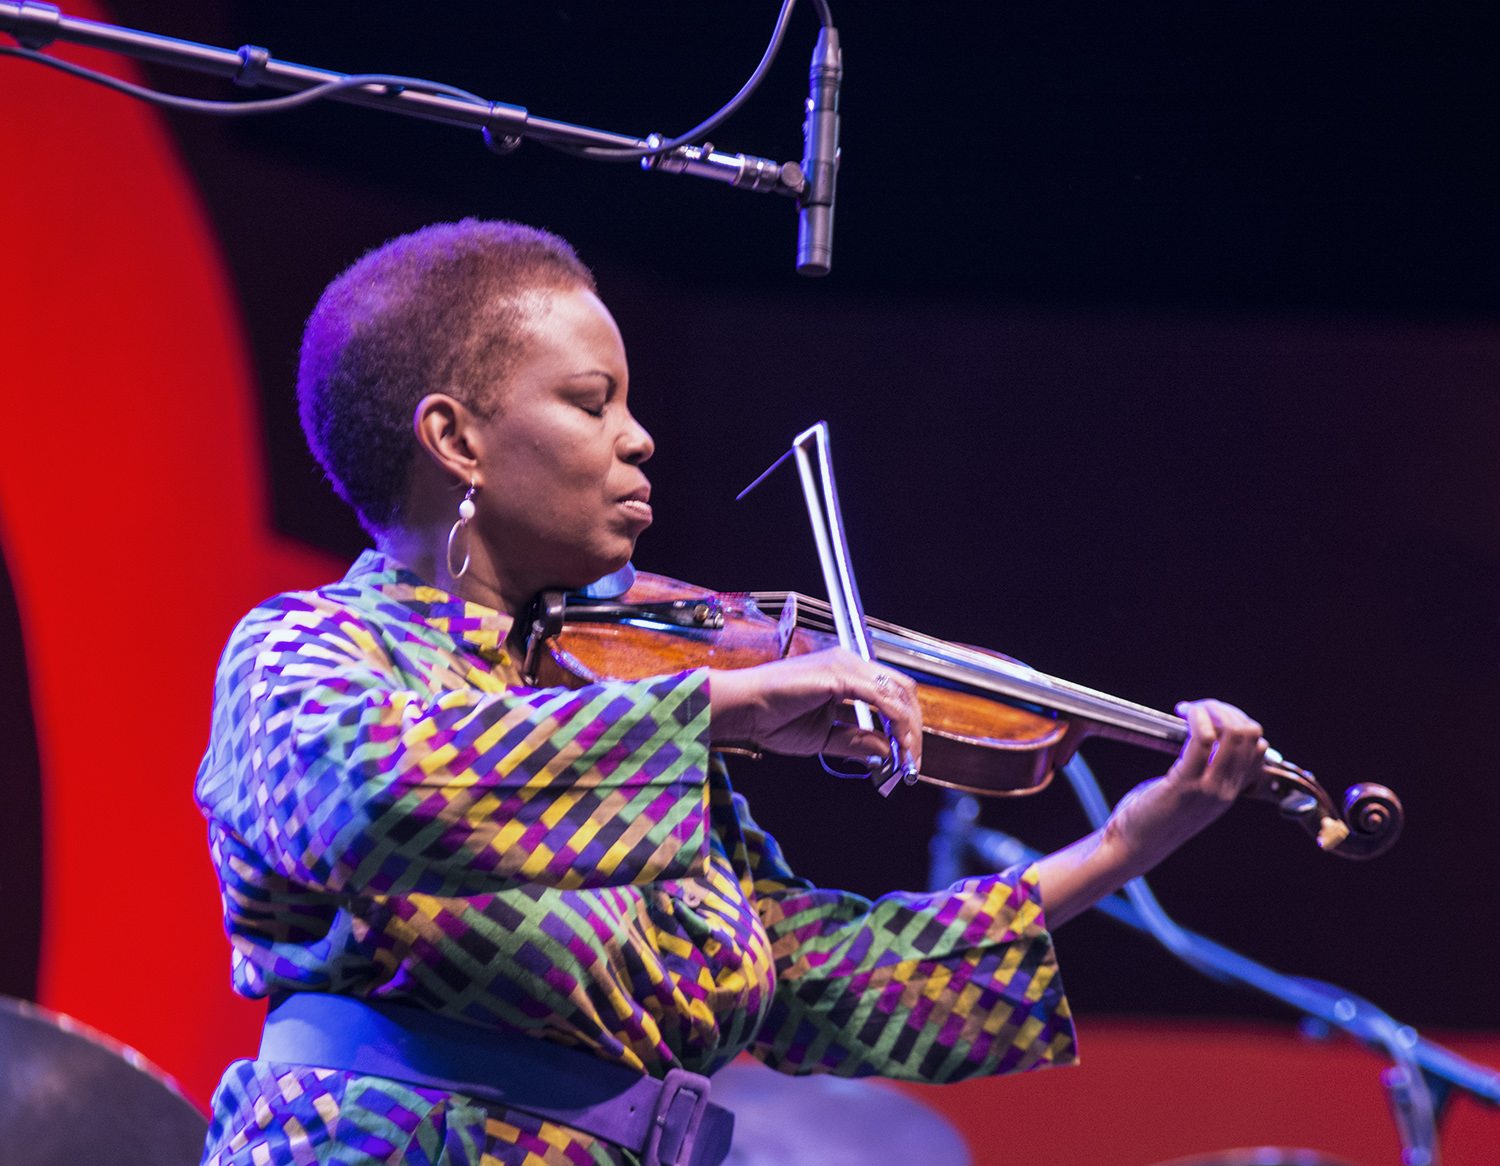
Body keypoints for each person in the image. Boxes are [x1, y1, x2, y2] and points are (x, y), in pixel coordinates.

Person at [195, 220, 1268, 1166]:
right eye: (590, 400)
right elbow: (379, 799)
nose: (637, 435)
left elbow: (812, 982)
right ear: (455, 437)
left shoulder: (629, 721)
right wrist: (728, 707)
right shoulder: (311, 648)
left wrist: (1123, 845)